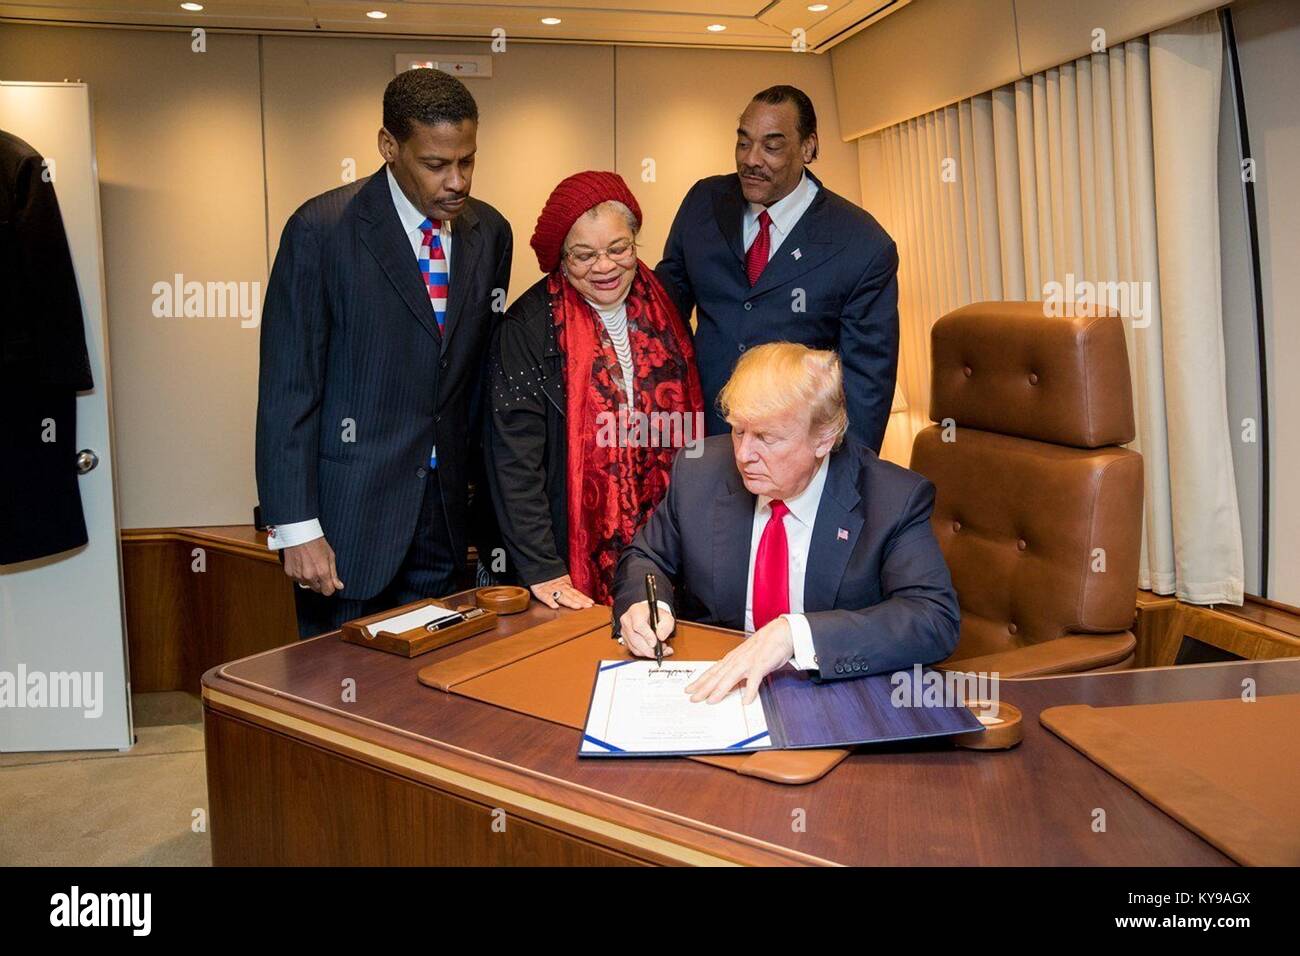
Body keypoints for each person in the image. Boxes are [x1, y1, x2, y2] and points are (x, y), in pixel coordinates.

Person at [256, 68, 512, 637]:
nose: (457, 181)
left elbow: (471, 380)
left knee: (434, 694)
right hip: (347, 526)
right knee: (339, 698)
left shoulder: (490, 232)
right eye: (436, 164)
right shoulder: (320, 231)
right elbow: (288, 389)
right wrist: (295, 528)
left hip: (445, 523)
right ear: (388, 146)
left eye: (467, 160)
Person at [614, 343, 959, 704]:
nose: (744, 455)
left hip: (832, 694)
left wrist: (794, 633)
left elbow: (932, 619)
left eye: (766, 437)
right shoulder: (700, 472)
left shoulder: (892, 499)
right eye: (738, 431)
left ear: (823, 438)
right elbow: (646, 557)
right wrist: (647, 605)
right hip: (718, 691)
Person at [488, 171, 703, 609]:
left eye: (618, 249)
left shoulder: (667, 304)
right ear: (560, 259)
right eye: (584, 256)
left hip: (668, 543)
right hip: (567, 553)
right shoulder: (527, 328)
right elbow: (514, 462)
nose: (604, 267)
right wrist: (543, 567)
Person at [655, 84, 900, 452]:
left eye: (771, 146)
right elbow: (661, 314)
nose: (751, 159)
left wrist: (843, 488)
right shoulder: (704, 204)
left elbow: (867, 390)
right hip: (698, 445)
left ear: (809, 148)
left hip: (793, 456)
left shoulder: (862, 245)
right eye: (743, 142)